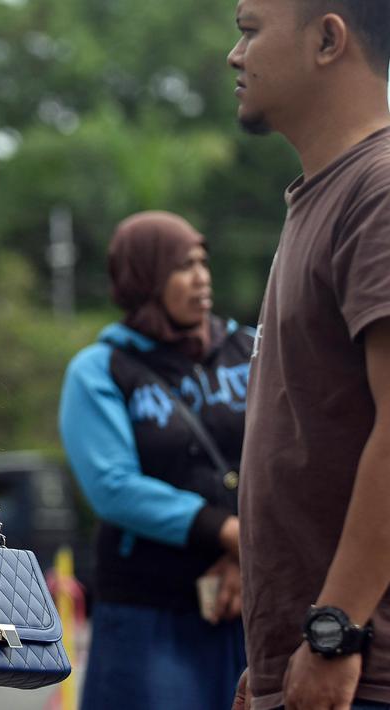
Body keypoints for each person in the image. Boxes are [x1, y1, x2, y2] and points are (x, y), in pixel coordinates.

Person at [227, 1, 390, 708]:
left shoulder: (376, 192)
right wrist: (268, 663)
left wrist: (335, 632)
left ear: (327, 39)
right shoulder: (323, 194)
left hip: (359, 668)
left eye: (248, 30)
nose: (235, 57)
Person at [58, 211, 251, 709]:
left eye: (203, 262)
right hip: (150, 616)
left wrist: (247, 554)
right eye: (181, 266)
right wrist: (230, 533)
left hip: (252, 599)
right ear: (143, 277)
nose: (201, 277)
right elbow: (113, 486)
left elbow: (292, 455)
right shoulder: (101, 370)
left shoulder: (251, 350)